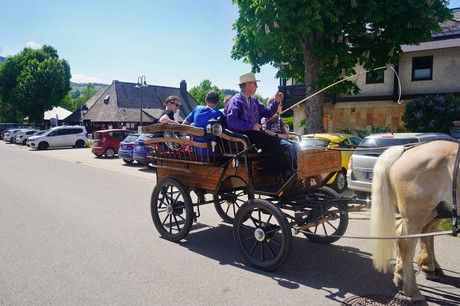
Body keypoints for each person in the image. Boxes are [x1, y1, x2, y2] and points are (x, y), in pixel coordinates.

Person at [225, 72, 297, 180]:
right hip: (241, 136)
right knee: (272, 142)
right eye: (255, 84)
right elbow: (231, 121)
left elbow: (267, 113)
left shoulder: (254, 101)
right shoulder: (236, 101)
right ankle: (285, 172)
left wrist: (276, 102)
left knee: (283, 144)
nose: (257, 86)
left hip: (254, 134)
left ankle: (286, 172)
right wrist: (251, 126)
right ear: (247, 85)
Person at [182, 90, 223, 156]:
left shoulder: (197, 109)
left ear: (206, 100)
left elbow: (184, 124)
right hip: (211, 151)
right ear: (218, 102)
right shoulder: (219, 114)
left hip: (195, 150)